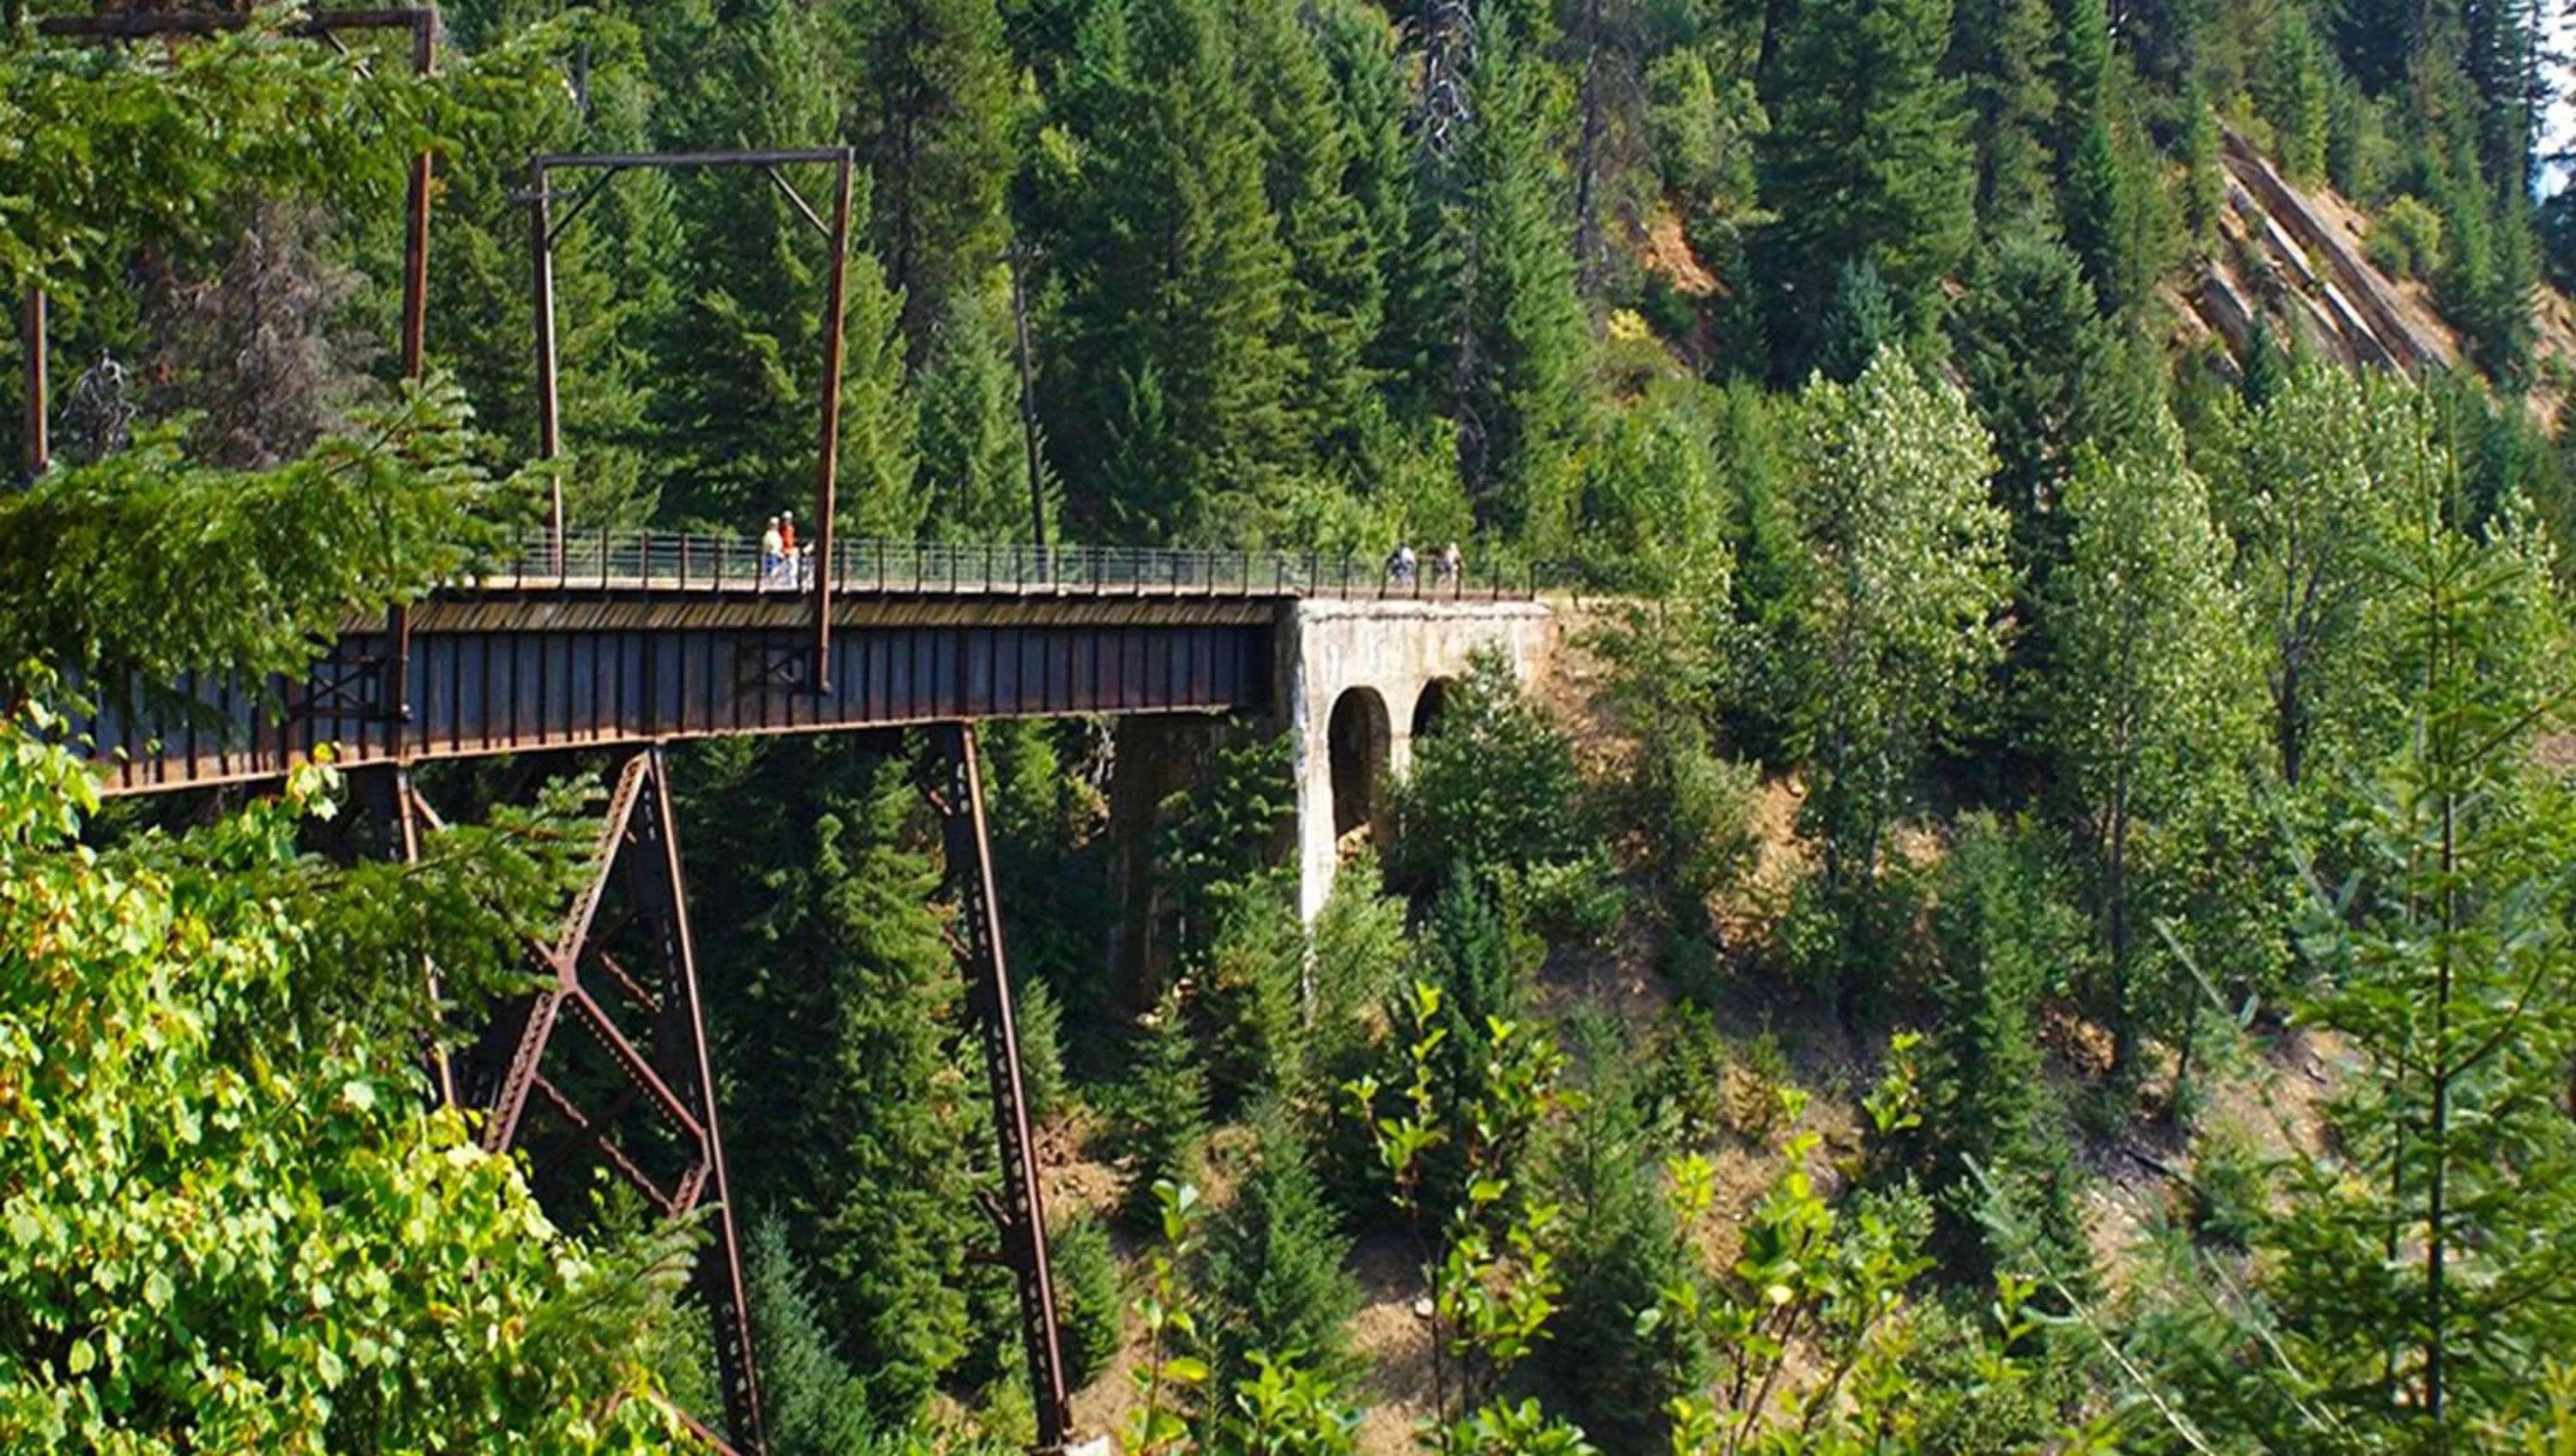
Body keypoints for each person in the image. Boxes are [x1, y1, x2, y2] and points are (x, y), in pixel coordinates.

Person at [760, 515, 784, 586]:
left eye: (776, 524)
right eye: (774, 524)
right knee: (773, 570)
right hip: (771, 554)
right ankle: (771, 583)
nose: (776, 526)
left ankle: (773, 582)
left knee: (780, 569)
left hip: (777, 553)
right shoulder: (768, 534)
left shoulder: (776, 534)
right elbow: (767, 544)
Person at [779, 512, 799, 586]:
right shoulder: (781, 530)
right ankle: (787, 581)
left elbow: (791, 541)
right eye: (785, 519)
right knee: (787, 567)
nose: (786, 521)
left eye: (788, 519)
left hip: (790, 550)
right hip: (784, 551)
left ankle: (792, 581)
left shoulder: (791, 529)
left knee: (794, 566)